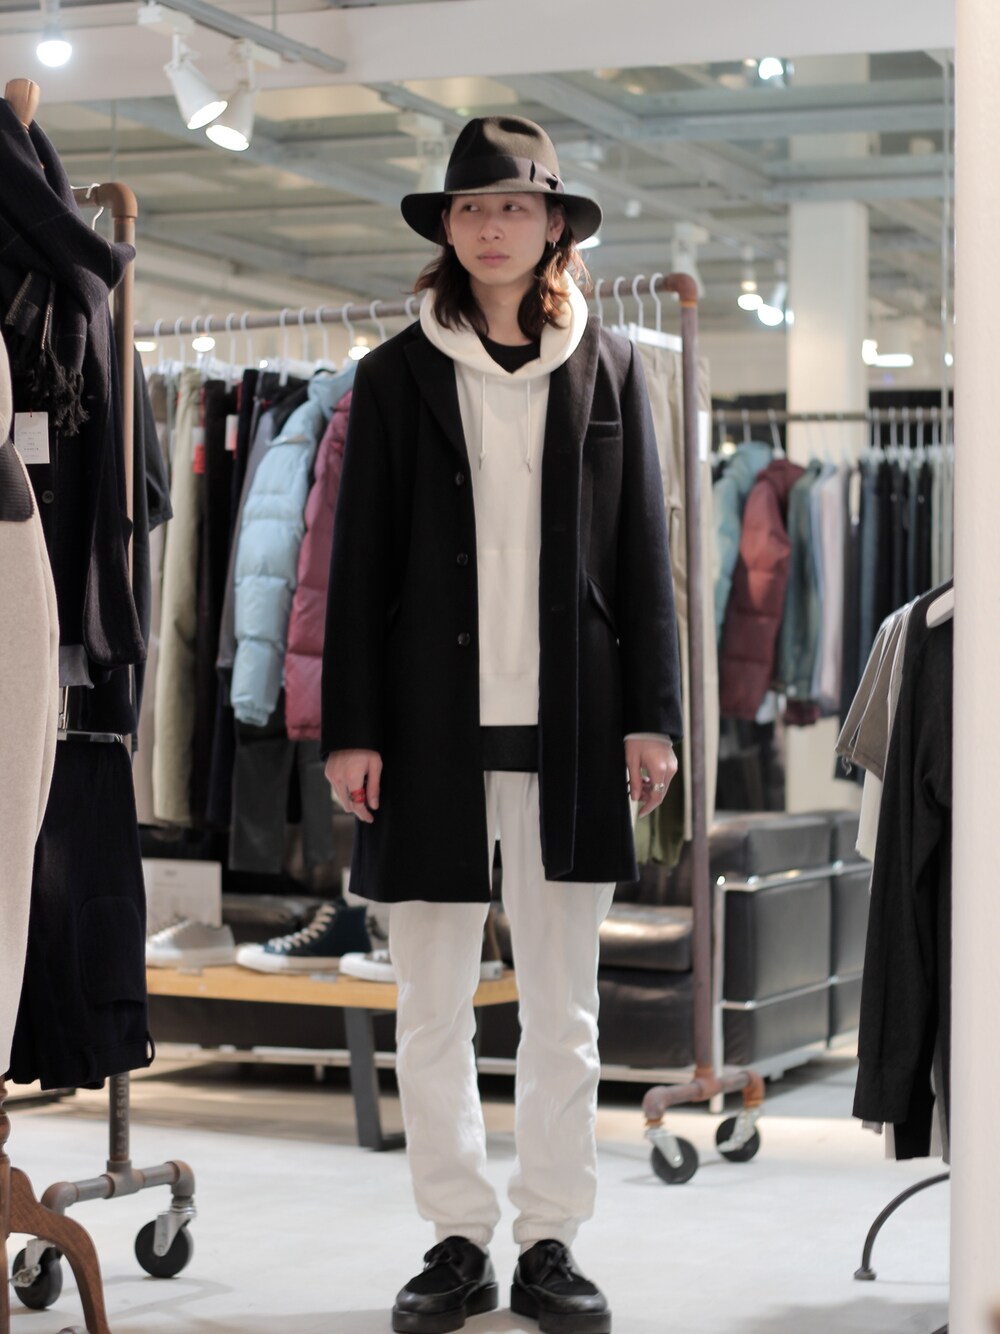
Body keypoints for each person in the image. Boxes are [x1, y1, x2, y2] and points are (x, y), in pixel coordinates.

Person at [322, 115, 681, 1334]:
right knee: (429, 1003)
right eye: (470, 208)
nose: (490, 227)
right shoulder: (392, 374)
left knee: (562, 1009)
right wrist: (350, 727)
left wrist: (654, 716)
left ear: (553, 225)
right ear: (447, 228)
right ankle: (455, 1239)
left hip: (573, 729)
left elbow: (644, 557)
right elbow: (356, 560)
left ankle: (551, 1239)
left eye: (512, 206)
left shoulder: (613, 367)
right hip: (426, 734)